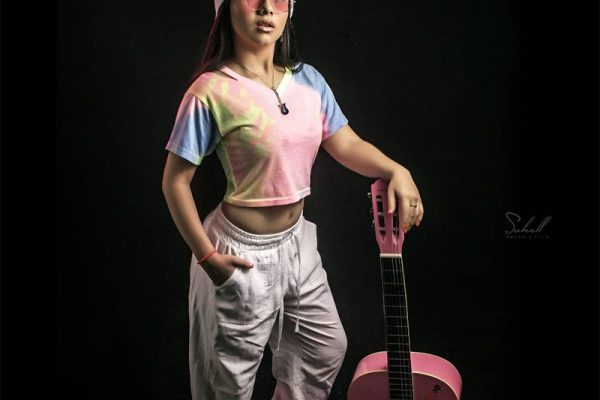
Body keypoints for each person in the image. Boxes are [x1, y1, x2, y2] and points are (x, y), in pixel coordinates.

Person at [161, 0, 424, 398]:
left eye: (278, 0)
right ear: (226, 9)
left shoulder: (308, 81)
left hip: (297, 245)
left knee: (322, 350)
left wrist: (397, 170)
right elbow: (175, 182)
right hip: (239, 254)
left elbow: (346, 144)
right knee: (227, 384)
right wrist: (208, 257)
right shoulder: (211, 91)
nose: (266, 8)